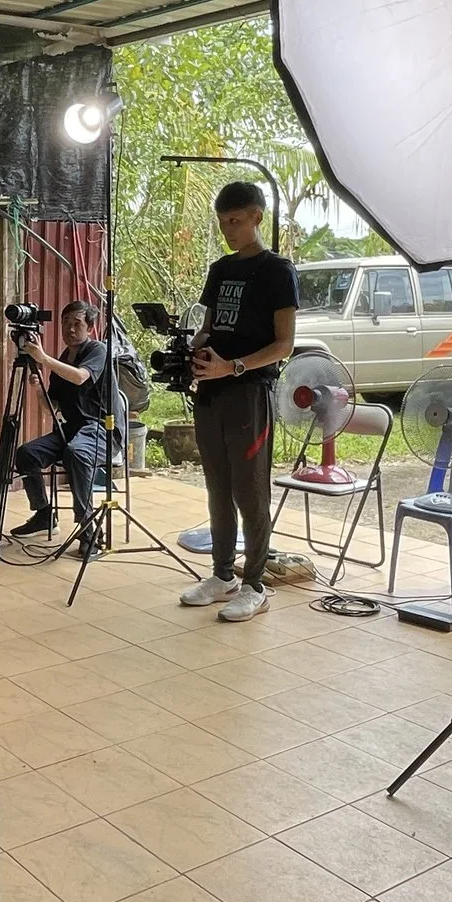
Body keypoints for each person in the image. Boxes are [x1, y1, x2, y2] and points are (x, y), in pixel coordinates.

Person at [181, 181, 297, 622]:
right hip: (211, 391)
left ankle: (254, 584)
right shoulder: (220, 269)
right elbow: (210, 327)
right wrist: (194, 349)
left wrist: (234, 367)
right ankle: (222, 574)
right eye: (223, 222)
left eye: (236, 221)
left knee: (250, 490)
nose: (229, 230)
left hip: (249, 392)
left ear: (257, 218)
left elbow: (285, 343)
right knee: (217, 487)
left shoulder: (277, 271)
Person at [10, 301, 113, 554]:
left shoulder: (98, 350)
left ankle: (89, 530)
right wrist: (38, 389)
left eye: (77, 323)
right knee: (26, 453)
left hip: (100, 430)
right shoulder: (61, 362)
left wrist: (43, 358)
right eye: (66, 323)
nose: (70, 328)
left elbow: (80, 376)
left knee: (76, 453)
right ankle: (44, 513)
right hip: (71, 430)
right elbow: (50, 410)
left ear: (90, 327)